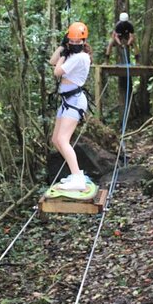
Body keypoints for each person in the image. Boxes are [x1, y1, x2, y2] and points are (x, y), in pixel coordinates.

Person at [49, 22, 92, 191]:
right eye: (71, 42)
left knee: (62, 139)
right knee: (55, 140)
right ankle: (76, 173)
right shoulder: (71, 55)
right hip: (67, 101)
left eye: (77, 42)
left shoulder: (81, 57)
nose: (74, 45)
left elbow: (57, 72)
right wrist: (62, 47)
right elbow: (53, 61)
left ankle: (78, 178)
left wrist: (64, 55)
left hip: (75, 101)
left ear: (83, 41)